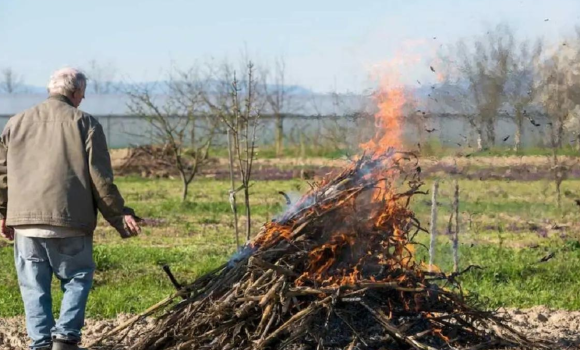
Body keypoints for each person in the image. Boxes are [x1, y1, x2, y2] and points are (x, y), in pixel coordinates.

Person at [0, 67, 141, 350]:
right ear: (76, 92)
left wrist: (3, 214)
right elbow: (100, 180)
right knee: (77, 277)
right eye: (83, 94)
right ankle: (65, 338)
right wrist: (119, 216)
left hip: (26, 223)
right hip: (69, 221)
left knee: (33, 287)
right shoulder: (86, 124)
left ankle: (40, 344)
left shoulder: (16, 122)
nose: (83, 99)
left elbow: (2, 174)